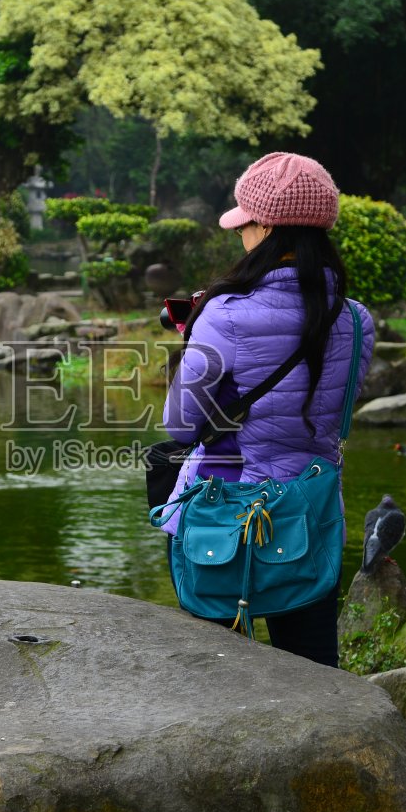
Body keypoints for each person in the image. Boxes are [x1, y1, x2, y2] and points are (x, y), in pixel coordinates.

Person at [158, 152, 375, 667]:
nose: (241, 236)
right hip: (311, 517)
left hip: (222, 514)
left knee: (213, 670)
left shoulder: (223, 314)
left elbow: (181, 425)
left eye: (245, 224)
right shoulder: (359, 321)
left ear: (267, 228)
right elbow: (324, 412)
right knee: (315, 670)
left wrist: (195, 344)